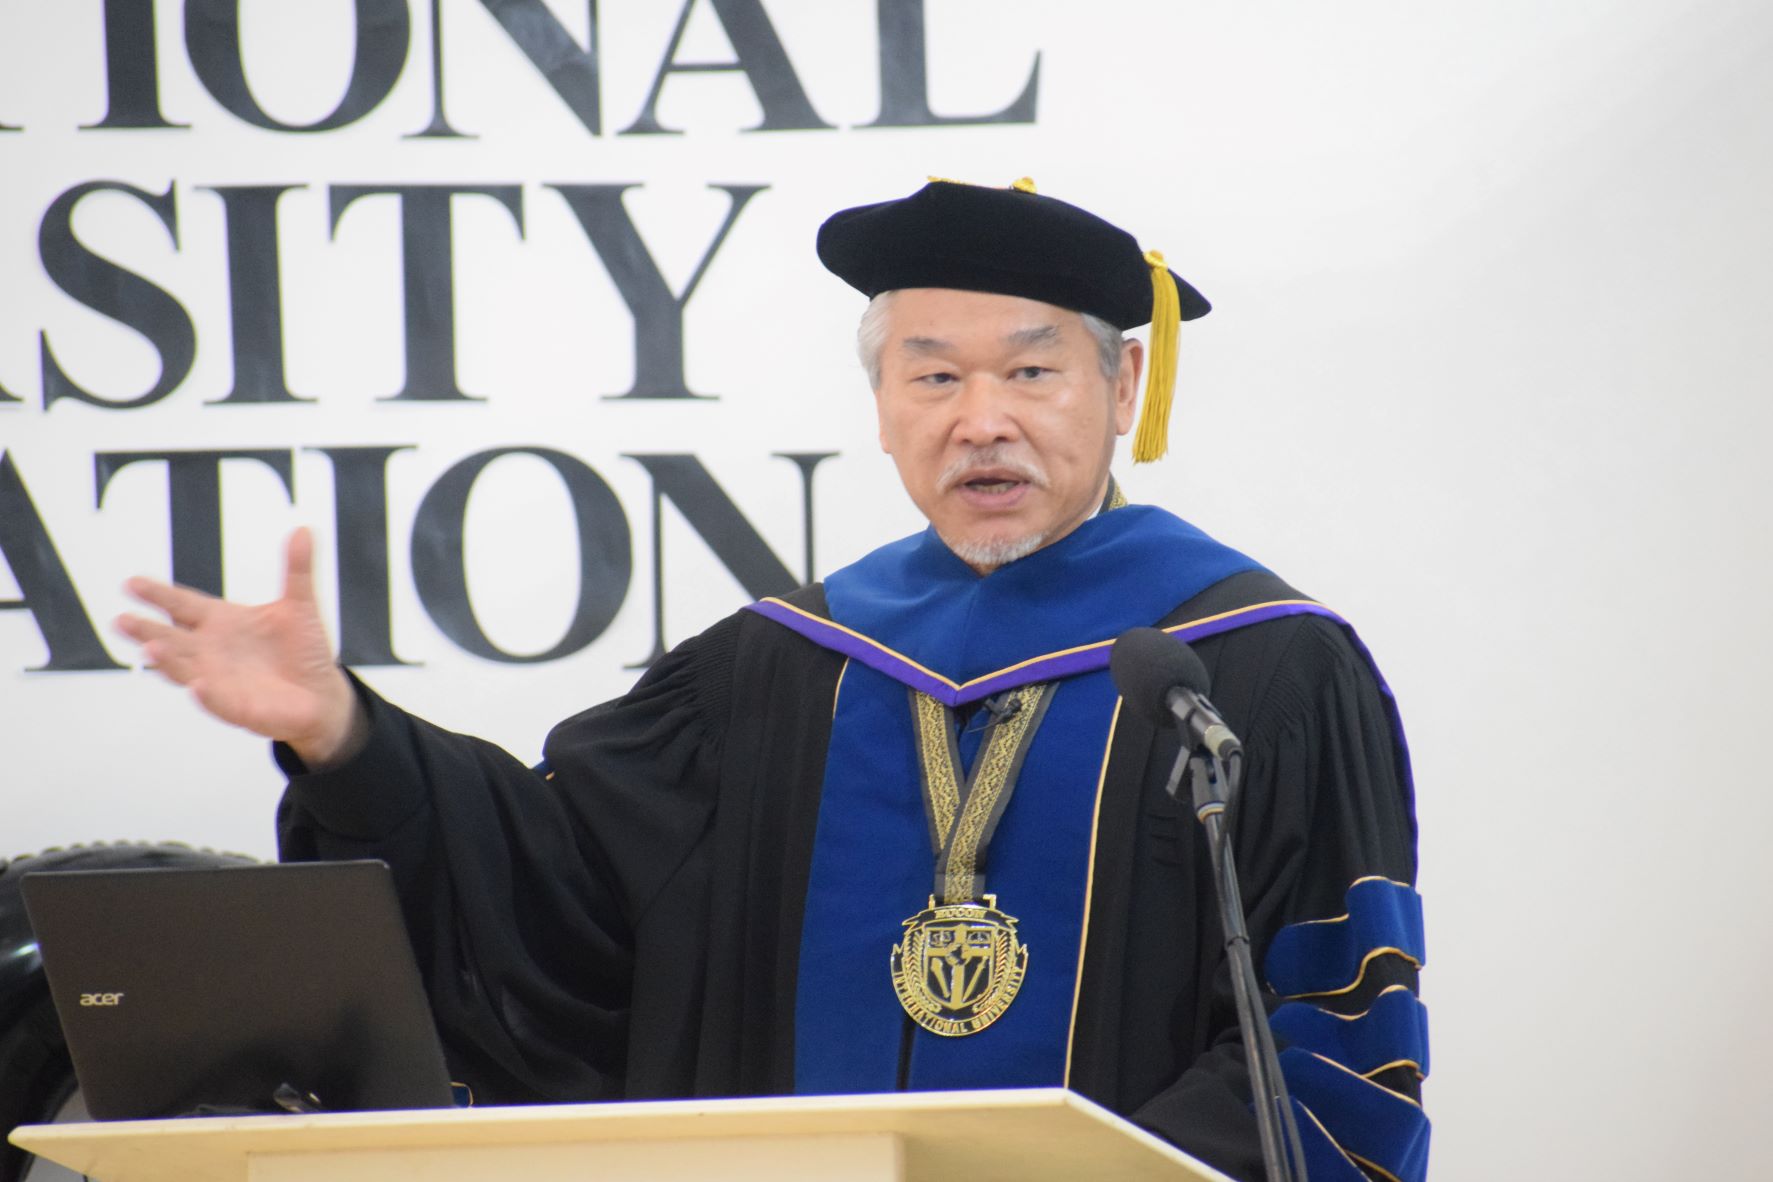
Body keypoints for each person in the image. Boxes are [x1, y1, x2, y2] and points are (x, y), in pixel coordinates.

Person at [116, 179, 1428, 1182]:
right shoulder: (784, 666)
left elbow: (1322, 1045)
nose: (980, 419)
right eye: (933, 375)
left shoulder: (1250, 667)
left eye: (1031, 371)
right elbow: (563, 896)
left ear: (1122, 381)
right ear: (882, 406)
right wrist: (346, 735)